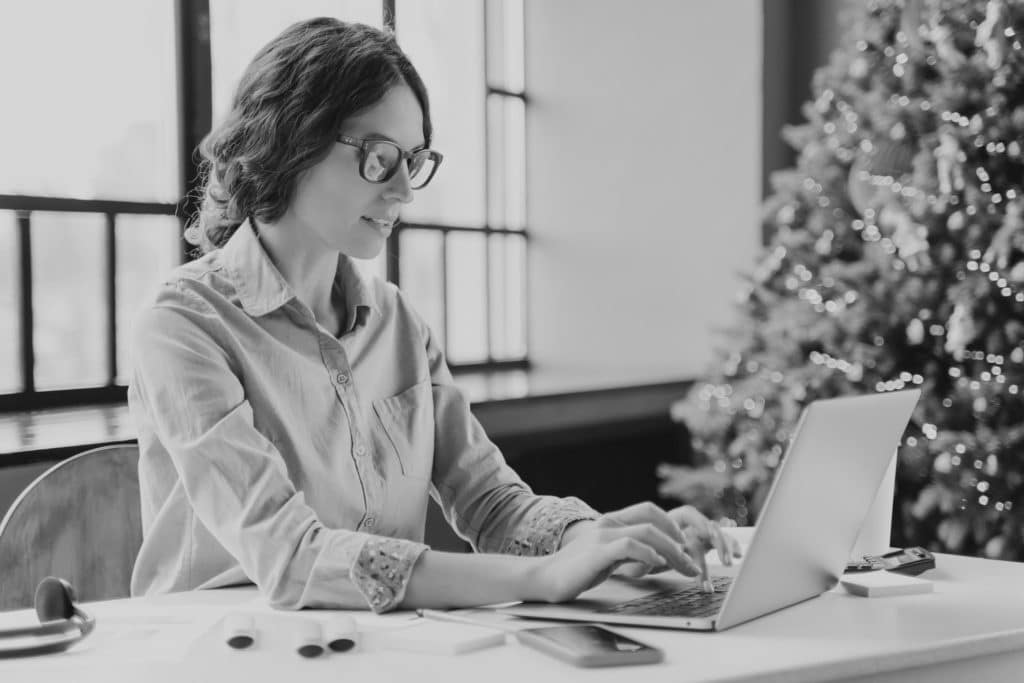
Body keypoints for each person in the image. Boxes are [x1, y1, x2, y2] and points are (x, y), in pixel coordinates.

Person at [128, 17, 741, 614]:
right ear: (290, 139)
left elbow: (493, 503)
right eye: (378, 157)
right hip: (219, 652)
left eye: (414, 160)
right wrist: (541, 575)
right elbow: (291, 557)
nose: (403, 191)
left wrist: (599, 543)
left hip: (376, 654)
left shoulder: (398, 323)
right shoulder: (184, 325)